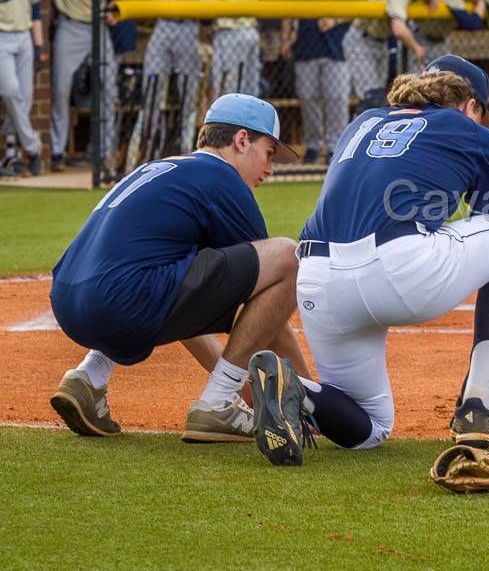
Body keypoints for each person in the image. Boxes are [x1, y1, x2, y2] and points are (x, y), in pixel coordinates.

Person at [245, 56, 489, 466]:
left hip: (317, 278)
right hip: (399, 270)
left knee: (370, 427)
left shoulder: (363, 121)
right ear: (471, 105)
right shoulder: (470, 130)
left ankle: (295, 387)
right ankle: (477, 407)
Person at [49, 94, 311, 443]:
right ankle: (218, 404)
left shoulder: (162, 168)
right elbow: (270, 300)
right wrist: (308, 398)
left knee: (169, 276)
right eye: (268, 153)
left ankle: (89, 375)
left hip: (67, 301)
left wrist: (240, 386)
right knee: (287, 257)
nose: (270, 168)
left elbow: (188, 312)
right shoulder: (221, 177)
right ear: (241, 140)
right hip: (123, 299)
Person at [281, 0, 369, 164]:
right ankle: (312, 145)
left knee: (336, 98)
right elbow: (286, 8)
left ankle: (335, 146)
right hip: (306, 46)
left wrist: (335, 19)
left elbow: (362, 6)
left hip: (337, 47)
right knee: (308, 97)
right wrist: (286, 38)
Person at [49, 0, 126, 172]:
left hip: (98, 28)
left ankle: (103, 152)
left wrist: (114, 13)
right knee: (60, 89)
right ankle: (57, 152)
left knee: (108, 87)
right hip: (70, 25)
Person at [136, 0, 217, 153]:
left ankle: (185, 147)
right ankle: (148, 146)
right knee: (151, 86)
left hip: (189, 27)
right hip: (163, 27)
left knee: (189, 92)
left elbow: (210, 2)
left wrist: (204, 36)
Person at [344, 0, 442, 103]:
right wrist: (417, 47)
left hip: (380, 41)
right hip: (361, 40)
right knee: (370, 96)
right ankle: (361, 123)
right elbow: (399, 30)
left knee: (380, 94)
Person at [0, 0, 45, 177]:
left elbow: (36, 9)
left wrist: (39, 46)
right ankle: (33, 147)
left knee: (23, 99)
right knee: (11, 92)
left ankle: (11, 156)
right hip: (3, 36)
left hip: (25, 36)